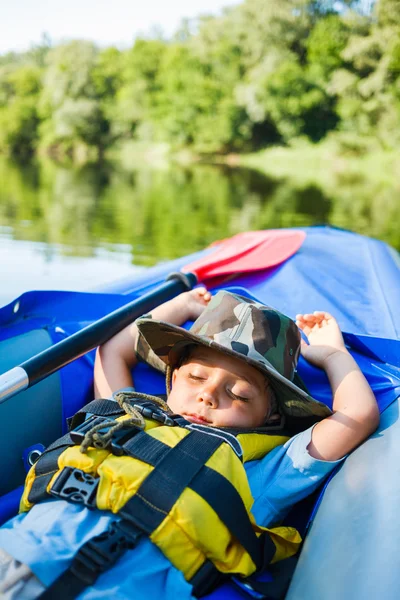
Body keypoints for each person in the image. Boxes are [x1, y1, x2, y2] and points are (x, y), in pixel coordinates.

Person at [0, 289, 379, 599]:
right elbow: (113, 350)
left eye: (241, 395)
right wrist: (182, 305)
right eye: (195, 377)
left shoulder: (262, 472)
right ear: (171, 381)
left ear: (271, 418)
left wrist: (332, 354)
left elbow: (357, 416)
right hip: (13, 549)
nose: (209, 396)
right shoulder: (127, 413)